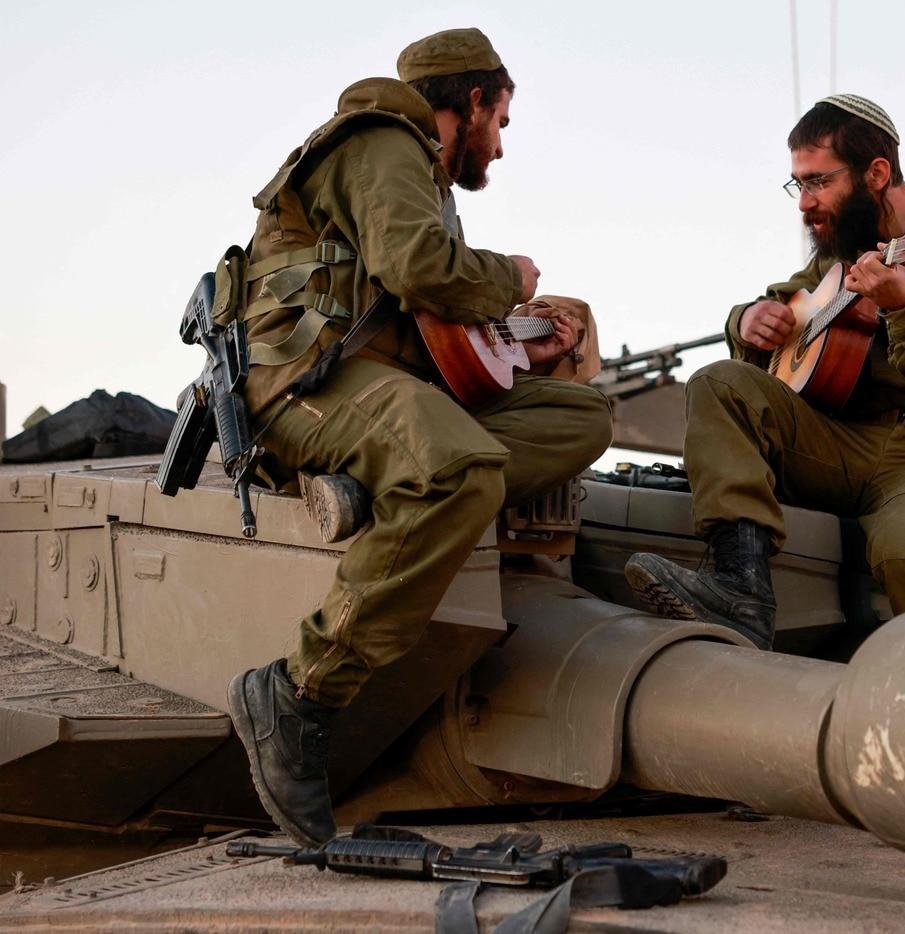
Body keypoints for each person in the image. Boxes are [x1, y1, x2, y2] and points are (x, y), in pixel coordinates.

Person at [224, 28, 613, 846]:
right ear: (471, 103)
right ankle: (298, 693)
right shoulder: (382, 139)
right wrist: (511, 275)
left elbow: (432, 321)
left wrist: (514, 341)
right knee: (463, 470)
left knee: (582, 415)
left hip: (385, 386)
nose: (500, 148)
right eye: (501, 122)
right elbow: (421, 270)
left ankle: (405, 493)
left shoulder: (425, 183)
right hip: (303, 387)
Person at [625, 95, 905, 648]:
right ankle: (738, 592)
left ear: (876, 173)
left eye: (817, 182)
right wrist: (747, 320)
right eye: (798, 184)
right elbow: (793, 304)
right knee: (720, 382)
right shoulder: (843, 249)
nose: (804, 203)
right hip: (842, 442)